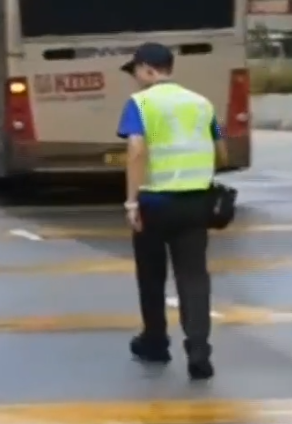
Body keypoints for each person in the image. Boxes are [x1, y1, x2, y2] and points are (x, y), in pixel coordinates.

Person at [116, 42, 225, 381]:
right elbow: (220, 152)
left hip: (153, 204)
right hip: (195, 203)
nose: (135, 78)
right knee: (194, 276)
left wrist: (131, 201)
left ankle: (155, 342)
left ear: (148, 68)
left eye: (135, 70)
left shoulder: (141, 103)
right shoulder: (201, 103)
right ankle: (198, 350)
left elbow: (136, 150)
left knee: (151, 276)